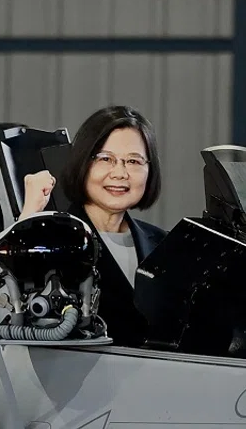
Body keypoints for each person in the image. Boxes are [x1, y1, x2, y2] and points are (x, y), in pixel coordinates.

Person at [18, 105, 166, 346]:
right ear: (83, 163)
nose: (120, 173)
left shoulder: (164, 245)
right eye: (106, 159)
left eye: (133, 161)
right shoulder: (51, 240)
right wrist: (29, 216)